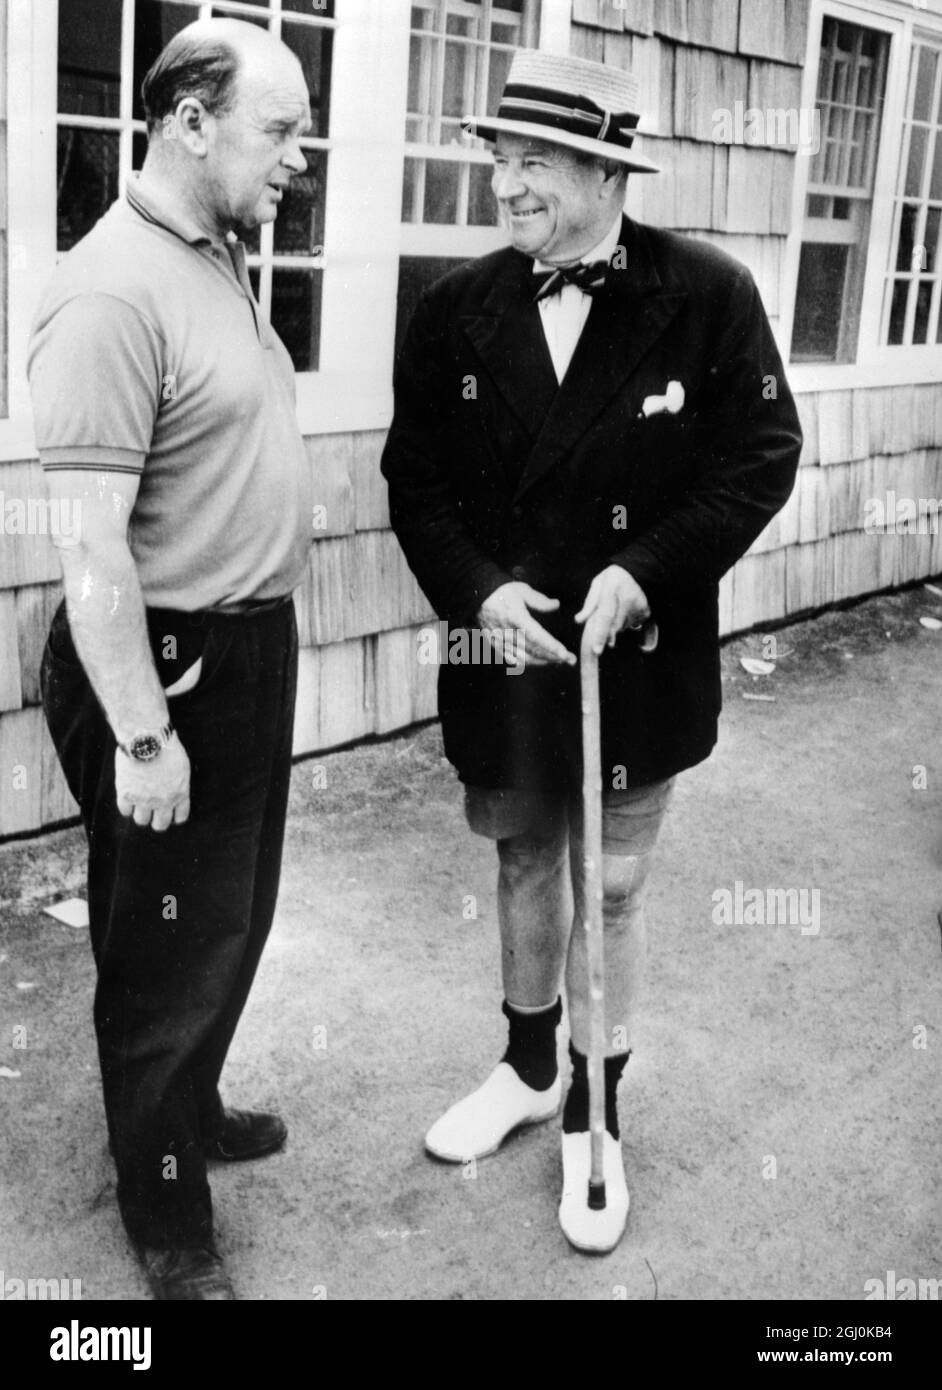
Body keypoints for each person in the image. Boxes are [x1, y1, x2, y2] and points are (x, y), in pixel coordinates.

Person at [381, 49, 803, 1253]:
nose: (506, 187)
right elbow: (415, 487)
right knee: (523, 862)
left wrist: (647, 567)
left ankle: (596, 1114)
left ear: (607, 172)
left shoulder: (708, 292)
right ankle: (526, 1074)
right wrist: (477, 591)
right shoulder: (453, 310)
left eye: (535, 164)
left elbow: (760, 456)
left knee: (609, 885)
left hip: (645, 651)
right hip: (506, 651)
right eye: (499, 160)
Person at [27, 18, 314, 1299]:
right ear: (190, 121)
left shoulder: (213, 252)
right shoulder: (111, 289)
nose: (298, 157)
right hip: (165, 661)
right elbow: (91, 553)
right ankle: (164, 1216)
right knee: (161, 951)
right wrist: (142, 732)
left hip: (250, 647)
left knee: (228, 922)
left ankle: (187, 1109)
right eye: (280, 129)